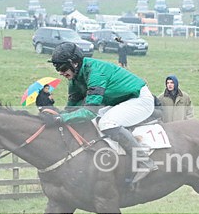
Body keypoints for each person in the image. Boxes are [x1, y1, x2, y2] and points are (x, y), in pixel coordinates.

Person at [47, 42, 156, 184]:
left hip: (140, 100)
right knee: (93, 121)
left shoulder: (96, 73)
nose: (60, 73)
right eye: (57, 69)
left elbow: (89, 112)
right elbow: (71, 109)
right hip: (122, 101)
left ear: (74, 63)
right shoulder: (75, 78)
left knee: (106, 123)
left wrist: (61, 118)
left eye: (62, 68)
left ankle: (144, 161)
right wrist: (58, 116)